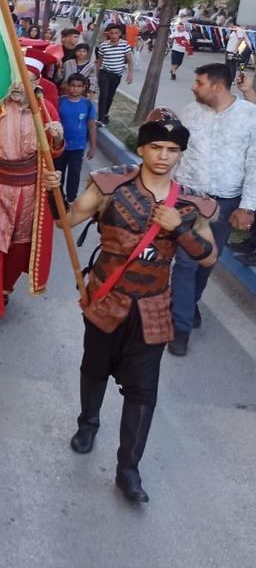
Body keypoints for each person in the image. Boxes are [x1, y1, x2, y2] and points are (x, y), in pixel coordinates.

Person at [62, 119, 218, 503]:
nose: (164, 157)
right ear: (143, 150)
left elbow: (208, 257)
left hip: (152, 307)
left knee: (143, 392)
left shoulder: (191, 203)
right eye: (157, 148)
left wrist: (179, 229)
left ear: (180, 154)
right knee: (94, 369)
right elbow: (65, 221)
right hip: (105, 299)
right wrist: (51, 192)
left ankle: (128, 470)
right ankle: (88, 423)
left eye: (173, 150)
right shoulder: (109, 186)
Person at [0, 80, 65, 335]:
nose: (18, 86)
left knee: (19, 247)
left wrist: (58, 137)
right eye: (13, 80)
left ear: (36, 82)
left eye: (26, 80)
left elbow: (55, 152)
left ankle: (4, 288)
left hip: (30, 191)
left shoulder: (46, 108)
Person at [167, 63, 256, 355]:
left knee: (206, 261)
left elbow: (254, 165)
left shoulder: (249, 117)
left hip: (224, 203)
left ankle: (188, 304)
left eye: (199, 82)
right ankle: (180, 327)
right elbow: (178, 154)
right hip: (188, 198)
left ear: (217, 86)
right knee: (185, 261)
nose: (193, 87)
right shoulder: (191, 112)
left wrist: (248, 208)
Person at [55, 74, 97, 205]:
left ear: (84, 88)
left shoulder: (87, 104)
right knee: (58, 171)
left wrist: (92, 147)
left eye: (79, 86)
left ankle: (71, 198)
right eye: (73, 85)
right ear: (67, 86)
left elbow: (91, 125)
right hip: (60, 145)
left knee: (74, 172)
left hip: (78, 146)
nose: (75, 89)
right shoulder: (60, 101)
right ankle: (58, 197)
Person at [95, 24, 134, 125]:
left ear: (120, 34)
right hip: (105, 72)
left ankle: (105, 114)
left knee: (110, 96)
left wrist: (130, 74)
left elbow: (130, 60)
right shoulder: (104, 45)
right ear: (108, 34)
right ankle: (100, 118)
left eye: (116, 33)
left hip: (116, 75)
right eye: (111, 33)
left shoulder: (125, 44)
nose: (114, 35)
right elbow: (99, 61)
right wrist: (97, 74)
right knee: (104, 94)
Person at [169, 16, 191, 81]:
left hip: (182, 50)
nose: (181, 28)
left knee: (179, 63)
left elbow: (188, 41)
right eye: (179, 27)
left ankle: (173, 70)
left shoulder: (186, 34)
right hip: (175, 49)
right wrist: (170, 42)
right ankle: (173, 74)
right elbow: (170, 38)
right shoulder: (175, 33)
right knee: (174, 62)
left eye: (182, 27)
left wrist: (188, 49)